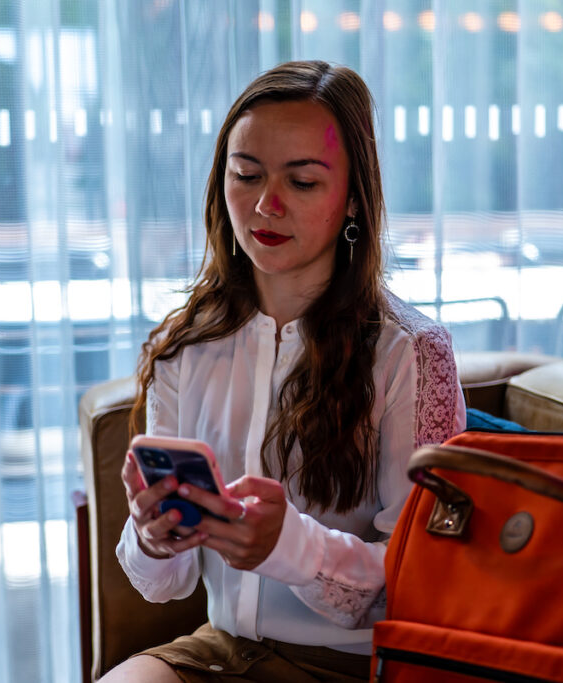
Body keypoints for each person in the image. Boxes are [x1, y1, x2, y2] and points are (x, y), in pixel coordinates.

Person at [102, 59, 465, 682]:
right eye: (246, 174)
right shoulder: (185, 346)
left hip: (359, 668)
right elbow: (163, 586)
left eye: (302, 182)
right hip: (221, 649)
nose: (265, 205)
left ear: (353, 197)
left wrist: (289, 547)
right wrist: (154, 535)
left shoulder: (410, 353)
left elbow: (428, 579)